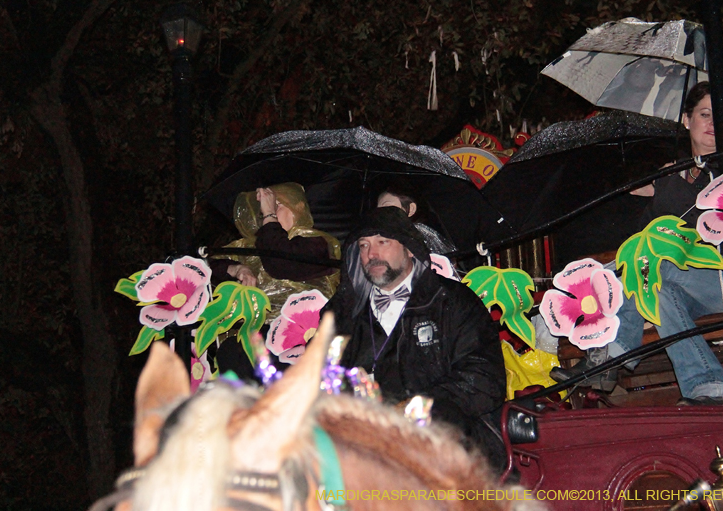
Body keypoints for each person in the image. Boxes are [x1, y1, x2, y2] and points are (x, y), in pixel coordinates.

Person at [550, 82, 723, 405]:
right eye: (704, 114)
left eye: (722, 117)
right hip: (686, 286)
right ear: (687, 120)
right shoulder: (672, 176)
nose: (713, 124)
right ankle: (711, 388)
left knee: (651, 261)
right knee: (658, 290)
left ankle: (612, 355)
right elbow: (641, 233)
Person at [322, 206, 507, 467]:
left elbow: (484, 379)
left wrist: (417, 408)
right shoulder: (341, 314)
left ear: (409, 248)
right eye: (363, 246)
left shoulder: (451, 302)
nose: (371, 254)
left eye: (382, 242)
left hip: (445, 446)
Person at [210, 182, 341, 375]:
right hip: (250, 342)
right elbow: (205, 269)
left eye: (276, 205)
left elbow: (281, 262)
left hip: (300, 341)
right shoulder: (247, 248)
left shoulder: (319, 244)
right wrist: (235, 268)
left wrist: (270, 217)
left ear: (299, 208)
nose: (266, 211)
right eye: (263, 209)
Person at [376, 181, 457, 255]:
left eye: (387, 207)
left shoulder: (420, 234)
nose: (381, 213)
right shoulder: (378, 235)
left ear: (411, 209)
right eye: (378, 209)